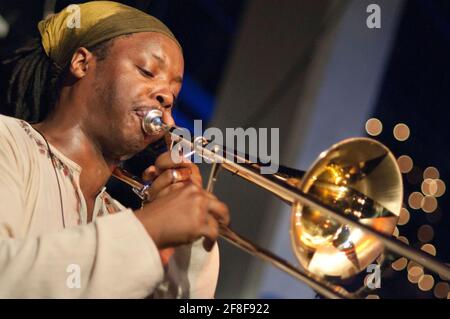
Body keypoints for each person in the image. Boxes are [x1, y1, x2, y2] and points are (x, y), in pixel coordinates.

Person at [0, 1, 229, 298]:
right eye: (148, 72)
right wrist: (148, 229)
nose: (166, 97)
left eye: (174, 91)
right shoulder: (8, 141)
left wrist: (189, 249)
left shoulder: (118, 217)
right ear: (82, 63)